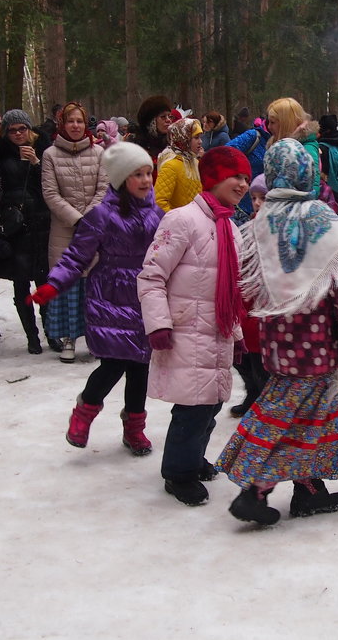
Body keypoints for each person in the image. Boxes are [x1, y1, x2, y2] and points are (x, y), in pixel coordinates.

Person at [215, 138, 338, 526]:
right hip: (320, 347)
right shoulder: (321, 220)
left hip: (278, 346)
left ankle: (310, 490)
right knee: (285, 417)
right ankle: (254, 489)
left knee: (314, 415)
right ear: (307, 172)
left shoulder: (260, 223)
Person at [29, 142, 162, 455]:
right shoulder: (102, 215)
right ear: (119, 179)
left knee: (140, 367)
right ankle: (85, 411)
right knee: (114, 363)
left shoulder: (158, 214)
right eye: (137, 175)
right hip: (111, 296)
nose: (145, 180)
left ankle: (134, 427)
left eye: (148, 173)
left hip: (145, 296)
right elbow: (76, 255)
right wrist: (53, 285)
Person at [138, 146, 251, 506]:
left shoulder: (230, 227)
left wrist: (237, 333)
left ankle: (192, 458)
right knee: (192, 405)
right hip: (185, 330)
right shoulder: (181, 220)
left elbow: (231, 288)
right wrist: (158, 324)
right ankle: (178, 472)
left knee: (213, 401)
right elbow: (151, 276)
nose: (243, 185)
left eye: (247, 178)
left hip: (215, 331)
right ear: (215, 177)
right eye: (236, 176)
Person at [40, 101, 108, 362]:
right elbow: (50, 193)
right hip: (64, 230)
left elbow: (103, 189)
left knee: (93, 285)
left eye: (80, 121)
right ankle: (68, 338)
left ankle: (95, 338)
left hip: (94, 230)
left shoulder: (99, 153)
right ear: (62, 125)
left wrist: (89, 219)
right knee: (68, 285)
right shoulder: (50, 155)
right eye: (71, 121)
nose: (76, 126)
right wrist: (75, 219)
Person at [0, 109, 51, 354]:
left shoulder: (43, 150)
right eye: (12, 130)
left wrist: (35, 163)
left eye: (21, 129)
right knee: (20, 283)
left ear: (30, 129)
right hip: (14, 226)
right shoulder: (0, 151)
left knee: (44, 282)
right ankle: (31, 337)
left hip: (41, 224)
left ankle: (50, 333)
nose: (17, 134)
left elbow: (49, 185)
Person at [231, 174, 269, 417]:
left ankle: (264, 403)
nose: (256, 203)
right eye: (254, 198)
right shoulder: (247, 227)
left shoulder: (276, 232)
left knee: (260, 362)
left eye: (263, 198)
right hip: (245, 303)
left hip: (265, 305)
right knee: (241, 358)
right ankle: (253, 393)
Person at [153, 117, 204, 213]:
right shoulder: (171, 166)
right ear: (183, 138)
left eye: (200, 137)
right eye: (196, 137)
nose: (200, 141)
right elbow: (159, 202)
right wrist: (177, 220)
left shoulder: (195, 162)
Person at [134, 95, 174, 171]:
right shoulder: (138, 146)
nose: (168, 120)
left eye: (170, 116)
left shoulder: (173, 143)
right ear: (152, 122)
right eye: (163, 117)